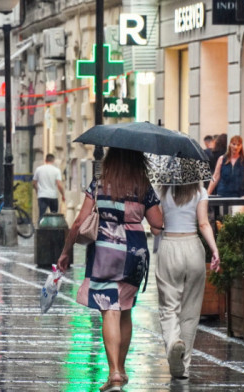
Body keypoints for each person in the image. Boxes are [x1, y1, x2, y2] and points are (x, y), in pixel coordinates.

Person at [57, 148, 163, 392]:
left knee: (110, 311)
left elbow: (79, 222)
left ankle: (114, 372)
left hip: (105, 252)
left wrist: (65, 252)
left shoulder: (99, 183)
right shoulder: (143, 185)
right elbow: (157, 224)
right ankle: (122, 371)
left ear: (111, 158)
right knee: (125, 310)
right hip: (134, 254)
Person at [155, 182, 220, 382]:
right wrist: (215, 250)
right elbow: (203, 224)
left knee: (169, 306)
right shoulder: (200, 191)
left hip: (169, 246)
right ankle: (183, 367)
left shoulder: (162, 190)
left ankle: (174, 342)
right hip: (193, 247)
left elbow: (156, 227)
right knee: (191, 311)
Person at [207, 135, 244, 214]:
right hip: (223, 195)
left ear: (241, 146)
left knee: (236, 217)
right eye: (234, 144)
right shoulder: (222, 159)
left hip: (240, 195)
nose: (236, 147)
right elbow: (215, 176)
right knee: (223, 220)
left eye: (238, 145)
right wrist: (207, 193)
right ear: (230, 145)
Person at [33, 154, 65, 224]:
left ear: (45, 160)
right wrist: (63, 195)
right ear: (53, 160)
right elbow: (59, 185)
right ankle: (54, 231)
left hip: (42, 195)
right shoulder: (56, 170)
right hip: (53, 196)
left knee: (41, 215)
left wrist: (37, 191)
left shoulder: (38, 169)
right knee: (54, 215)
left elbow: (34, 183)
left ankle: (40, 231)